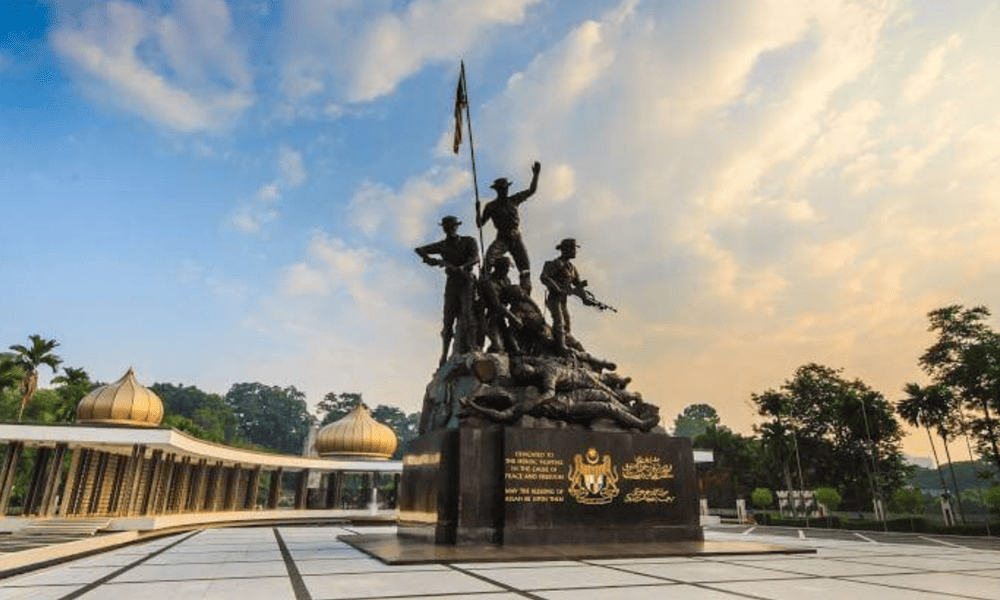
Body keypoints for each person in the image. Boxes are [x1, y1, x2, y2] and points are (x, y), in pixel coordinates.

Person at [415, 216, 480, 366]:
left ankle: (472, 347)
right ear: (444, 228)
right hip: (452, 282)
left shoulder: (468, 241)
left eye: (452, 225)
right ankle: (444, 354)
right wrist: (428, 259)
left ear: (456, 226)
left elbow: (475, 258)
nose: (450, 228)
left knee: (468, 313)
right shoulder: (442, 245)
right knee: (448, 318)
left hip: (466, 280)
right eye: (447, 226)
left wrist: (463, 267)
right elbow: (419, 249)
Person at [477, 161, 541, 292]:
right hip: (502, 239)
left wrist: (535, 175)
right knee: (489, 259)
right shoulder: (491, 206)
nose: (504, 190)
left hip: (516, 238)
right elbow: (480, 224)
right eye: (501, 189)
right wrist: (477, 211)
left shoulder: (514, 200)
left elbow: (531, 190)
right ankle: (482, 286)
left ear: (507, 188)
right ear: (497, 190)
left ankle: (525, 295)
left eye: (505, 188)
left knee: (524, 268)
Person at [540, 238, 583, 354]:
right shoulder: (557, 264)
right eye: (573, 249)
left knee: (566, 324)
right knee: (559, 321)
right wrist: (557, 288)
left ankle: (564, 345)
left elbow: (578, 285)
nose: (575, 251)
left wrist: (585, 298)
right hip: (554, 299)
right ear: (566, 250)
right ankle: (560, 347)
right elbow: (544, 277)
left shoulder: (572, 268)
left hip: (563, 300)